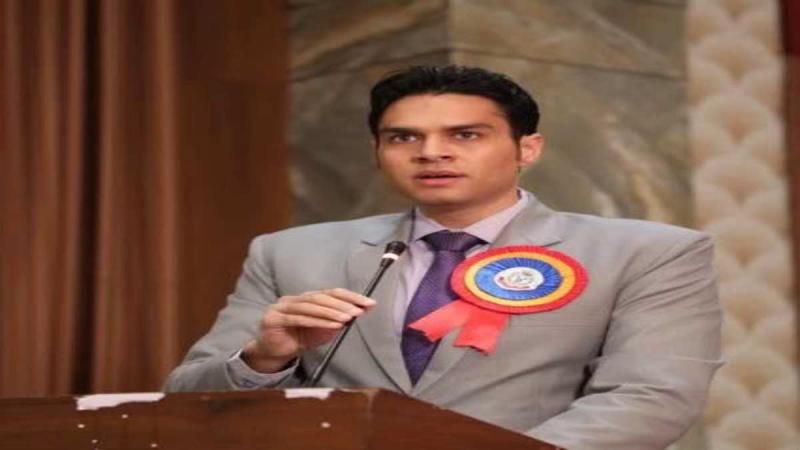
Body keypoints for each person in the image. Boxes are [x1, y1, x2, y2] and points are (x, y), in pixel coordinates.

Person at [164, 65, 722, 449]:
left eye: (466, 135)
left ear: (527, 148)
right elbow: (185, 400)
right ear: (378, 152)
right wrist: (264, 359)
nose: (432, 152)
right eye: (403, 138)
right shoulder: (290, 252)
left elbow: (650, 398)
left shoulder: (649, 253)